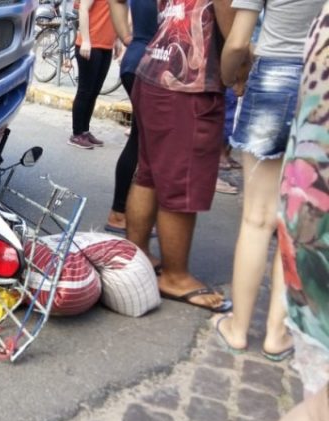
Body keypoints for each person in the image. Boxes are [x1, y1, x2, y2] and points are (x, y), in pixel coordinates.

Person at [213, 0, 324, 359]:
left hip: (273, 77)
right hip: (318, 84)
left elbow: (236, 43)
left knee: (256, 218)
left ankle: (238, 328)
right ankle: (277, 335)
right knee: (288, 220)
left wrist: (231, 77)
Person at [124, 0, 236, 311]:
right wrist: (239, 74)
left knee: (148, 174)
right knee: (182, 181)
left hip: (153, 72)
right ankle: (175, 275)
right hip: (187, 84)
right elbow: (234, 36)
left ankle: (139, 252)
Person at [266, 3, 329, 421]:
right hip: (311, 212)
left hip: (309, 205)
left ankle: (271, 332)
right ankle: (273, 333)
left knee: (317, 416)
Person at [104, 0, 159, 235]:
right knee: (146, 144)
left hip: (136, 60)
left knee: (140, 140)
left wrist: (128, 37)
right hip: (152, 65)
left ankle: (122, 212)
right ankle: (122, 214)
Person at [67, 0, 117, 150]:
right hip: (90, 45)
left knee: (94, 92)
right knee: (85, 91)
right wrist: (86, 41)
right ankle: (76, 134)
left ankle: (85, 131)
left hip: (105, 46)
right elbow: (83, 8)